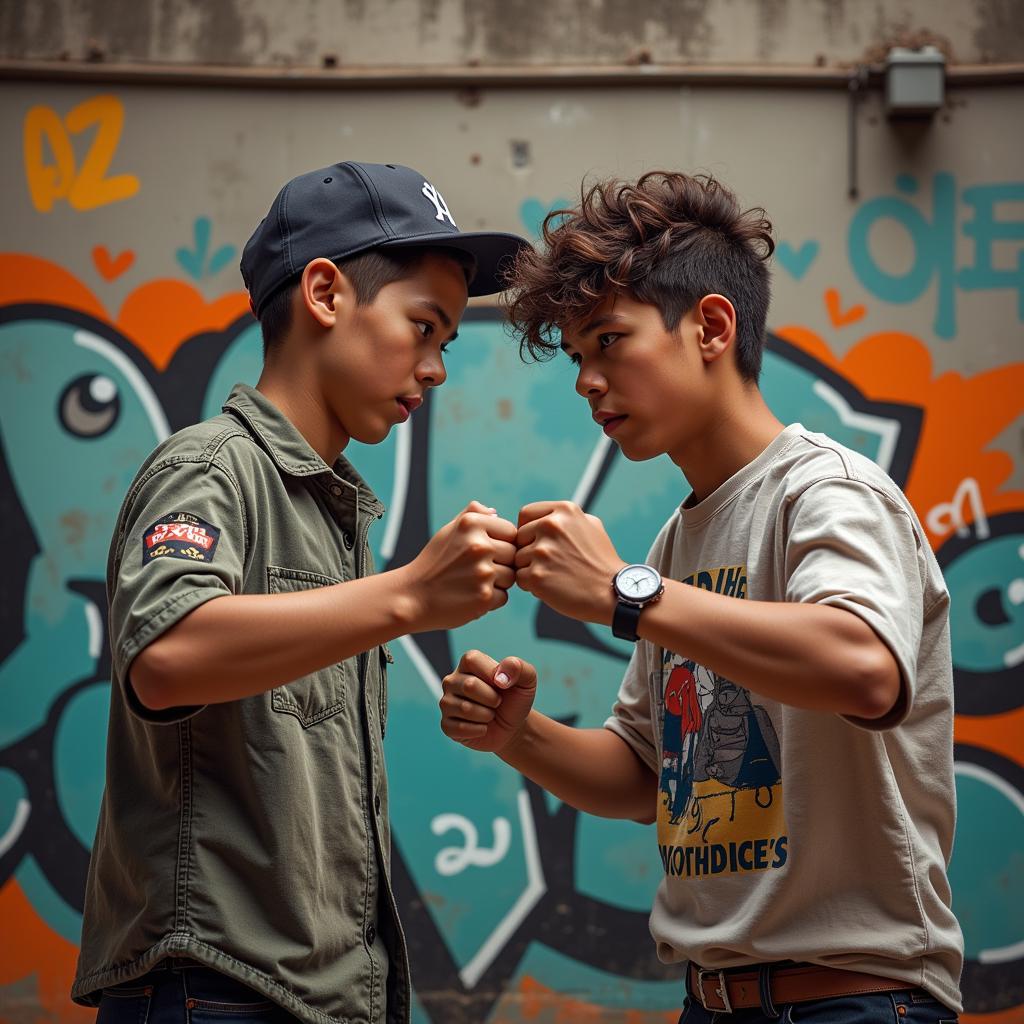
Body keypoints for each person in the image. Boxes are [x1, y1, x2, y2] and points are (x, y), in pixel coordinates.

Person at [438, 171, 964, 1023]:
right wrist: (518, 736)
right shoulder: (677, 544)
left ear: (712, 326)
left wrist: (625, 594)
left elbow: (862, 666)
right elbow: (646, 776)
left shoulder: (827, 493)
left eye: (609, 340)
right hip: (712, 1001)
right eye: (577, 356)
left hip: (852, 1002)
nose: (585, 381)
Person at [72, 161, 527, 1024]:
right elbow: (165, 659)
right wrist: (411, 597)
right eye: (422, 327)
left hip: (312, 998)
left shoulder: (330, 509)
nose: (435, 370)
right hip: (220, 992)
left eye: (446, 344)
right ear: (324, 292)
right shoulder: (211, 468)